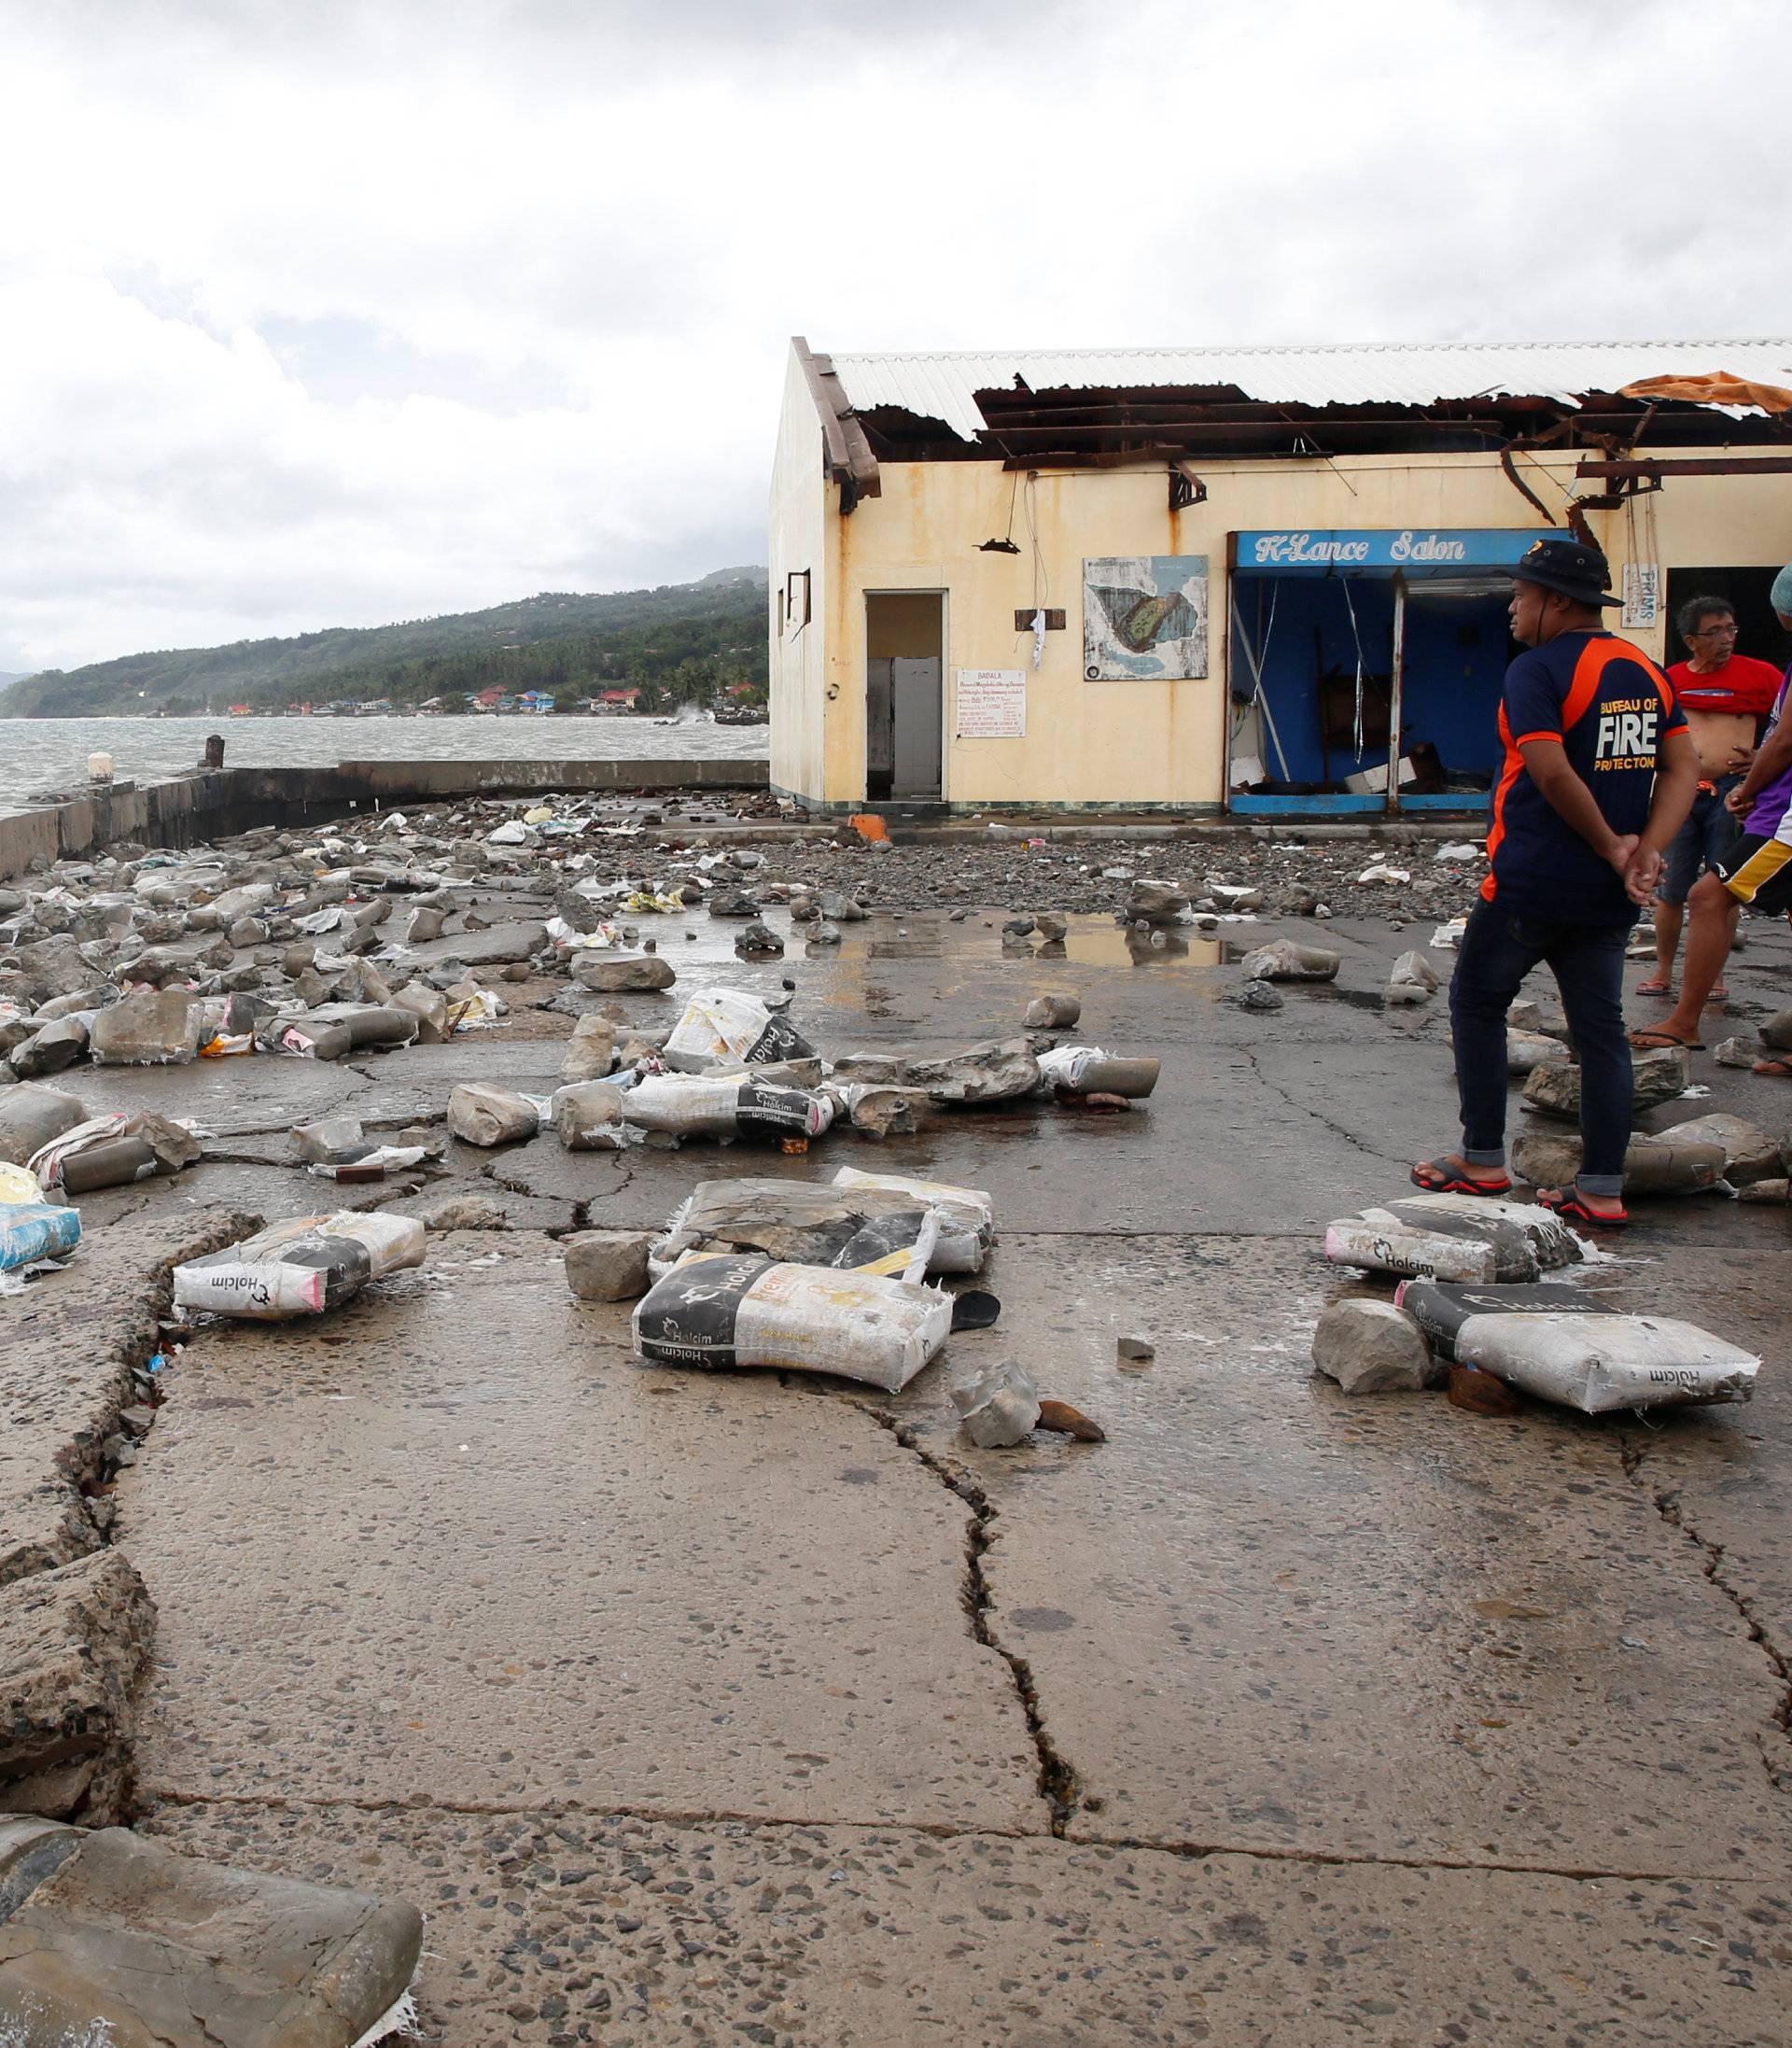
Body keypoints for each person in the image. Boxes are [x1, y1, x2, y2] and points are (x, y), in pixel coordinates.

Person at [1411, 537, 1698, 1227]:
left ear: (1559, 601)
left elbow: (1550, 771)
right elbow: (1685, 768)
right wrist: (1645, 853)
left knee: (1477, 1004)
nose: (1513, 607)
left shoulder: (1537, 671)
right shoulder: (1648, 672)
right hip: (1607, 898)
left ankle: (1481, 1160)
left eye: (1523, 595)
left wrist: (1609, 847)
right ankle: (1600, 1188)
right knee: (1601, 1034)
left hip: (1532, 880)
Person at [1633, 564, 1792, 1065]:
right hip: (1701, 794)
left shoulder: (1762, 673)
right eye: (1714, 631)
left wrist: (1751, 784)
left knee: (1709, 895)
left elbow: (1783, 739)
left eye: (1732, 629)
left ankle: (1684, 1022)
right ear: (1689, 640)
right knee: (1677, 889)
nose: (1727, 638)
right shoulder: (1674, 679)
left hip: (1780, 815)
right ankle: (1668, 978)